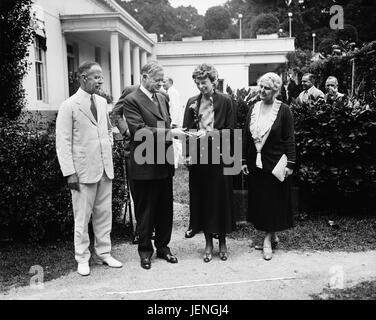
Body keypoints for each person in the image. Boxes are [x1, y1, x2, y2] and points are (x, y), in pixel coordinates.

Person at [56, 61, 122, 276]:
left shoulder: (103, 103)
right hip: (82, 172)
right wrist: (70, 172)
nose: (100, 80)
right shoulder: (69, 105)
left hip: (104, 168)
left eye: (101, 76)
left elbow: (108, 130)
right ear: (83, 77)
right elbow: (63, 141)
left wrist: (110, 145)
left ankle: (104, 252)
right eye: (95, 77)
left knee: (104, 213)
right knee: (82, 216)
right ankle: (82, 257)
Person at [120, 61, 187, 270]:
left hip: (163, 163)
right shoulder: (131, 100)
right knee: (145, 211)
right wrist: (171, 134)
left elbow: (164, 124)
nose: (160, 83)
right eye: (157, 80)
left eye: (162, 80)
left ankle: (163, 247)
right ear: (144, 76)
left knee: (164, 210)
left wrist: (175, 130)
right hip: (144, 165)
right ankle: (145, 251)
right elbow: (139, 131)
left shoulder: (163, 97)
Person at [183, 63, 235, 262]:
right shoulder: (191, 102)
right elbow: (187, 130)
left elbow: (231, 130)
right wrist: (188, 154)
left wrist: (211, 133)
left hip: (221, 157)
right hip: (199, 159)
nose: (200, 87)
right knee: (202, 199)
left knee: (220, 199)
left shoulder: (226, 101)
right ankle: (207, 243)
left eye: (204, 83)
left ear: (213, 81)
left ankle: (222, 241)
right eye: (197, 83)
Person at [241, 72, 296, 261]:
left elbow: (289, 138)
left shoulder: (284, 110)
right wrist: (243, 161)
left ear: (275, 91)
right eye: (261, 87)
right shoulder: (253, 108)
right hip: (256, 163)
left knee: (273, 201)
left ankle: (266, 241)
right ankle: (272, 235)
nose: (262, 91)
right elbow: (246, 137)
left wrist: (290, 163)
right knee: (261, 201)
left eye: (267, 88)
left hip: (275, 163)